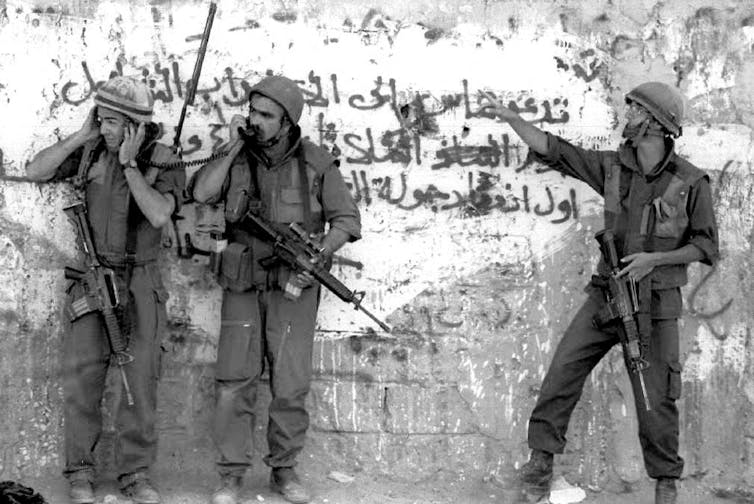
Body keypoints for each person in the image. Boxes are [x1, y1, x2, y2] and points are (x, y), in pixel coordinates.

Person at [486, 82, 719, 504]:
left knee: (656, 402)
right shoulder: (612, 167)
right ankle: (540, 466)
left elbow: (706, 246)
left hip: (655, 306)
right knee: (562, 374)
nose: (625, 112)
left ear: (654, 122)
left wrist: (654, 260)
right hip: (606, 296)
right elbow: (558, 151)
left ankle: (666, 485)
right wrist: (513, 120)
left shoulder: (690, 181)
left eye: (634, 108)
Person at [190, 75, 361, 504]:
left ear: (287, 123)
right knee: (234, 381)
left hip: (293, 288)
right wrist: (230, 150)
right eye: (253, 111)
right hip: (243, 283)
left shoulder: (317, 163)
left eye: (266, 115)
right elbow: (202, 193)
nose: (255, 121)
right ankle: (231, 475)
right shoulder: (235, 155)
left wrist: (322, 250)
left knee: (290, 384)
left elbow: (347, 221)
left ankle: (283, 470)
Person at [26, 76, 185, 504]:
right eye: (104, 119)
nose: (108, 129)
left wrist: (132, 165)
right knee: (83, 379)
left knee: (140, 379)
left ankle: (135, 474)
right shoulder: (90, 151)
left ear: (136, 127)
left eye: (115, 122)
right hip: (90, 279)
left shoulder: (163, 159)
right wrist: (81, 135)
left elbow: (157, 215)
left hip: (140, 281)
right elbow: (35, 170)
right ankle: (80, 472)